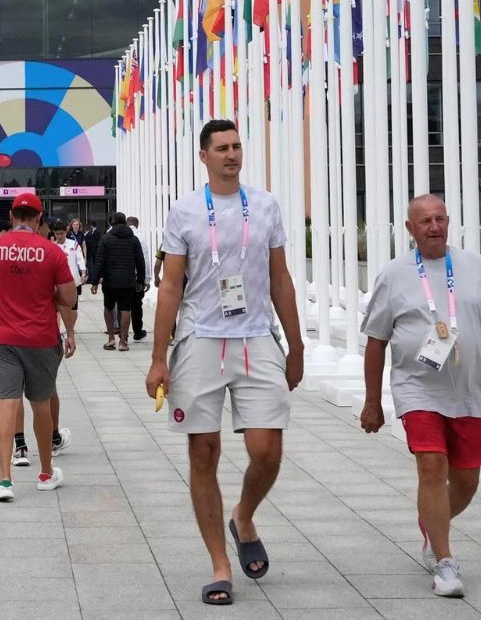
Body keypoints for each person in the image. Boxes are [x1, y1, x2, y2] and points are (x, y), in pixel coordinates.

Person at [144, 119, 305, 607]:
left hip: (256, 336)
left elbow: (280, 279)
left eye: (237, 146)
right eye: (222, 148)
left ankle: (244, 515)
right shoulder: (187, 210)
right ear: (204, 156)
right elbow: (171, 286)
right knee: (203, 453)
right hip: (199, 339)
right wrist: (158, 358)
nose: (232, 154)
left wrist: (295, 347)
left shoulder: (266, 205)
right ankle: (219, 563)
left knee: (267, 449)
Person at [360, 195, 481, 599]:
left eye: (440, 219)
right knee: (431, 466)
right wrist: (372, 401)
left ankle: (432, 524)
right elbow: (375, 342)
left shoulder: (475, 268)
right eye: (425, 221)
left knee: (466, 479)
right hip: (416, 387)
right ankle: (444, 561)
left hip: (468, 389)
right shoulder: (394, 275)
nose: (434, 226)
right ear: (410, 229)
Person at [0, 195, 77, 501]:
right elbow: (68, 299)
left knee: (7, 405)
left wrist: (2, 296)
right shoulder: (52, 252)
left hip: (4, 339)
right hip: (42, 339)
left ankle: (4, 480)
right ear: (39, 218)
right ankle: (45, 473)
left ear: (11, 214)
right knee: (40, 404)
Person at [90, 212, 147, 352]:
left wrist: (95, 281)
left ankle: (110, 339)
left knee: (108, 307)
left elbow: (99, 261)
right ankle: (123, 342)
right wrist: (141, 280)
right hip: (128, 281)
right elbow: (140, 262)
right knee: (126, 309)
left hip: (109, 281)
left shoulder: (106, 239)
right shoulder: (133, 240)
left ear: (112, 223)